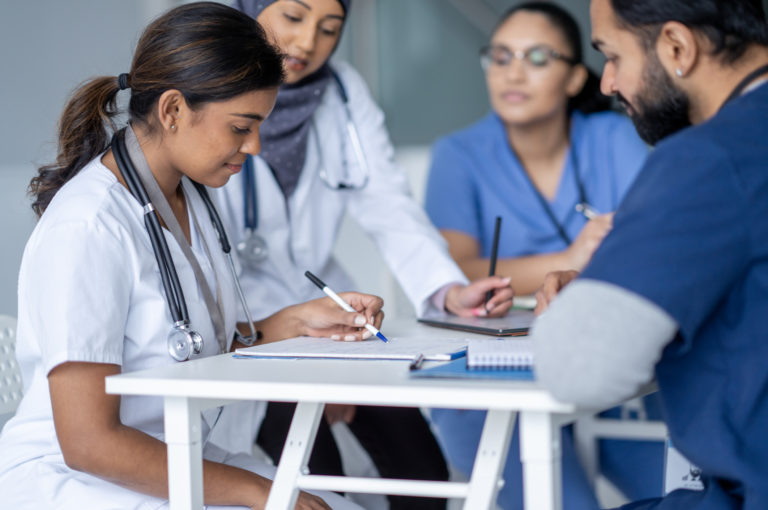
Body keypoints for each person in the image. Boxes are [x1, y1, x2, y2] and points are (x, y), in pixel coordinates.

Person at [0, 3, 386, 509]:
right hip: (83, 481)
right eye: (241, 127)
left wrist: (298, 322)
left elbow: (192, 349)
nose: (255, 147)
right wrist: (259, 492)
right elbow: (88, 442)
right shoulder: (89, 226)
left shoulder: (189, 197)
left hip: (175, 458)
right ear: (174, 111)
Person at [214, 2, 515, 508]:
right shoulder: (211, 100)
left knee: (424, 474)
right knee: (318, 484)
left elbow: (388, 203)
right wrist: (304, 361)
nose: (309, 41)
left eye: (330, 28)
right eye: (294, 16)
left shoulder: (343, 92)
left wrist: (449, 288)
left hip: (331, 312)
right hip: (250, 333)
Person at [424, 3, 663, 509]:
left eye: (537, 57)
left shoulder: (617, 138)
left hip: (615, 358)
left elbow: (652, 249)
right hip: (493, 371)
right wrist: (573, 256)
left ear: (577, 77)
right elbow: (455, 272)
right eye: (501, 56)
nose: (513, 72)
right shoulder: (458, 154)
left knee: (696, 489)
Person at [531, 0, 768, 509]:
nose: (607, 83)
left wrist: (593, 299)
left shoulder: (709, 156)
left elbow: (578, 367)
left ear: (677, 47)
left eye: (612, 55)